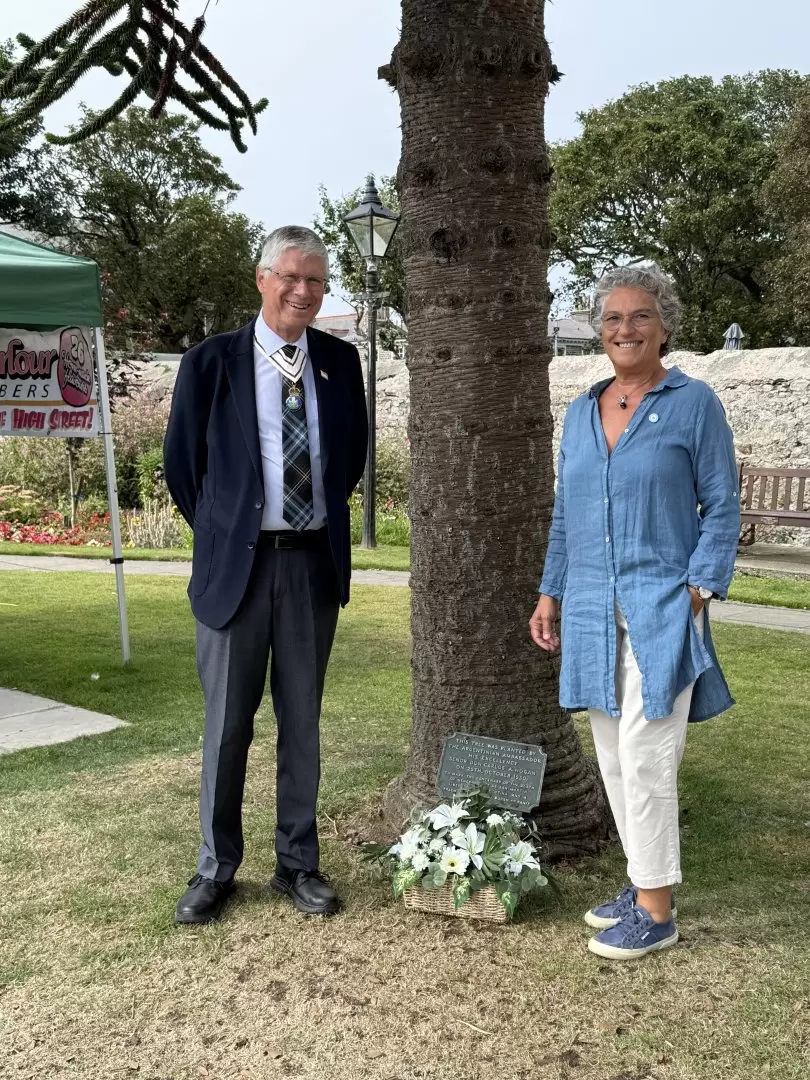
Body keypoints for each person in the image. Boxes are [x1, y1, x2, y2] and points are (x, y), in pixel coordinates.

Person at [529, 264, 740, 960]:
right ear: (599, 331)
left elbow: (722, 503)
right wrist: (550, 591)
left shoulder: (693, 403)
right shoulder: (582, 411)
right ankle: (643, 881)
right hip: (590, 606)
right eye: (613, 319)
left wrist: (700, 589)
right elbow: (567, 515)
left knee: (647, 756)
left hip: (662, 608)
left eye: (640, 316)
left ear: (664, 326)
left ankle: (657, 913)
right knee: (613, 760)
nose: (625, 329)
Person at [164, 226, 368, 924]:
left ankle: (297, 863)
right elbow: (183, 471)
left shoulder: (341, 362)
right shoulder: (210, 363)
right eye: (291, 277)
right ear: (261, 278)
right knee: (227, 726)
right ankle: (215, 869)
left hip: (311, 568)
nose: (303, 291)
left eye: (315, 280)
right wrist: (233, 536)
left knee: (301, 725)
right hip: (237, 575)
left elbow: (349, 460)